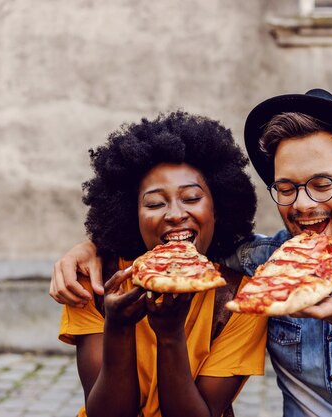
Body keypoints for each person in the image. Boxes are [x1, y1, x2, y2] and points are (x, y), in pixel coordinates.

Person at [51, 89, 332, 417]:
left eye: (322, 183)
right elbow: (182, 250)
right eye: (286, 187)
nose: (302, 203)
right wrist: (92, 245)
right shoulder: (259, 266)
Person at [57, 111, 268, 417]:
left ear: (218, 209)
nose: (174, 214)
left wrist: (171, 335)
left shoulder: (245, 300)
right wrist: (118, 327)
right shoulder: (94, 281)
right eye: (155, 203)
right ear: (133, 214)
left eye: (191, 198)